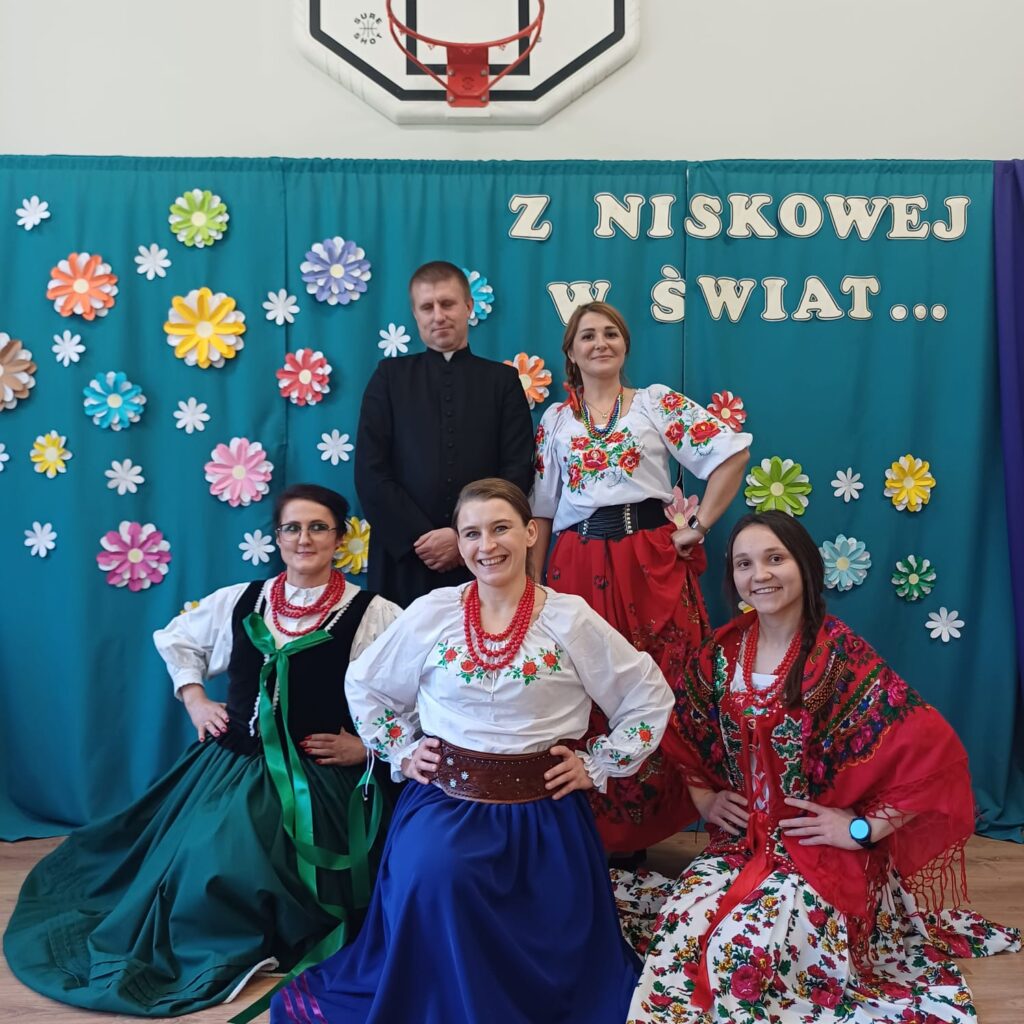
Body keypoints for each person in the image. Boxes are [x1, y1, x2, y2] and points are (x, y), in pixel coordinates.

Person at [269, 478, 675, 1024]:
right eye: (472, 533)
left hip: (544, 812)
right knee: (437, 876)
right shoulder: (435, 611)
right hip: (446, 801)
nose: (488, 545)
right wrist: (402, 750)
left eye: (501, 528)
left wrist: (598, 763)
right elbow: (365, 683)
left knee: (555, 934)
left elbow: (647, 695)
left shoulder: (570, 618)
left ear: (530, 533)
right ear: (459, 544)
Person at [4, 484, 402, 1017]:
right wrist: (195, 700)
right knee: (198, 855)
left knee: (237, 853)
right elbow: (177, 640)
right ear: (277, 537)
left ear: (339, 537)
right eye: (292, 528)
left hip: (318, 777)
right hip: (231, 766)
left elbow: (410, 692)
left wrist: (367, 748)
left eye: (318, 527)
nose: (304, 539)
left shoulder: (374, 614)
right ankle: (209, 944)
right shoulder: (241, 600)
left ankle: (258, 940)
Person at [617, 510, 1021, 1023]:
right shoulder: (722, 654)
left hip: (820, 856)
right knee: (678, 934)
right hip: (741, 847)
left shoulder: (842, 657)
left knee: (742, 954)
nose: (760, 574)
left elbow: (935, 761)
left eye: (775, 558)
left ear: (805, 565)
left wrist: (860, 830)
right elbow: (681, 730)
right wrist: (706, 799)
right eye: (744, 563)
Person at [530, 300, 751, 853]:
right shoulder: (555, 422)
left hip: (648, 562)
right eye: (587, 335)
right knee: (583, 689)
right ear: (571, 351)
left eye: (611, 333)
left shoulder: (655, 403)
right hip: (577, 563)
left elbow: (732, 454)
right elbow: (542, 511)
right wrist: (531, 592)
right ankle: (599, 837)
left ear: (625, 346)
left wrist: (698, 526)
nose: (600, 343)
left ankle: (666, 822)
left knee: (667, 682)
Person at [355, 260, 535, 608]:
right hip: (405, 556)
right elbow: (370, 472)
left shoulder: (502, 381)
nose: (438, 316)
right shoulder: (389, 377)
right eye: (427, 307)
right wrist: (420, 537)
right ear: (415, 314)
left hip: (484, 554)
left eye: (448, 304)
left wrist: (463, 536)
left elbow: (516, 470)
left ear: (468, 306)